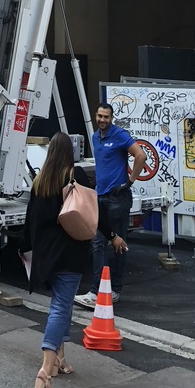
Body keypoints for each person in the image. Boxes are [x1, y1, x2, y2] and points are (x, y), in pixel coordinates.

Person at [22, 131, 127, 388]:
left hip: (45, 256)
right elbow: (95, 211)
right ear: (70, 152)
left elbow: (29, 218)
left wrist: (25, 250)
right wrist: (112, 235)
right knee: (60, 307)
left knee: (62, 304)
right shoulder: (74, 175)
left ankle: (60, 359)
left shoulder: (39, 181)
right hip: (68, 253)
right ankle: (45, 369)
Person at [74, 102, 147, 308]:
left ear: (111, 118)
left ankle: (114, 289)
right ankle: (96, 291)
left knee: (118, 245)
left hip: (117, 198)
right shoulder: (95, 137)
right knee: (98, 243)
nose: (102, 120)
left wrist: (129, 182)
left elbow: (140, 155)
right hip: (100, 196)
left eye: (106, 117)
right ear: (95, 116)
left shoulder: (119, 135)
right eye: (99, 116)